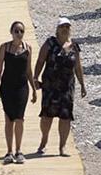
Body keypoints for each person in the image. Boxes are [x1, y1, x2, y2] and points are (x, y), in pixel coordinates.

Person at [33, 17, 85, 156]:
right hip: (50, 85)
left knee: (66, 116)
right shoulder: (50, 43)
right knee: (46, 115)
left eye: (67, 27)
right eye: (62, 26)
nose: (65, 29)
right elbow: (40, 60)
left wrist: (82, 84)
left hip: (67, 86)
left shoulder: (74, 46)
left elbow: (78, 67)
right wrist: (35, 77)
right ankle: (43, 143)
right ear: (57, 29)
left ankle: (62, 147)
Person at [0, 21, 36, 164]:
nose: (19, 34)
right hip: (7, 87)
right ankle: (9, 151)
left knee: (20, 118)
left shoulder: (28, 49)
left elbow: (29, 71)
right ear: (11, 32)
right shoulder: (4, 48)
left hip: (22, 87)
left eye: (21, 31)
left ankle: (19, 151)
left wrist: (34, 90)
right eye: (16, 31)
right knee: (9, 119)